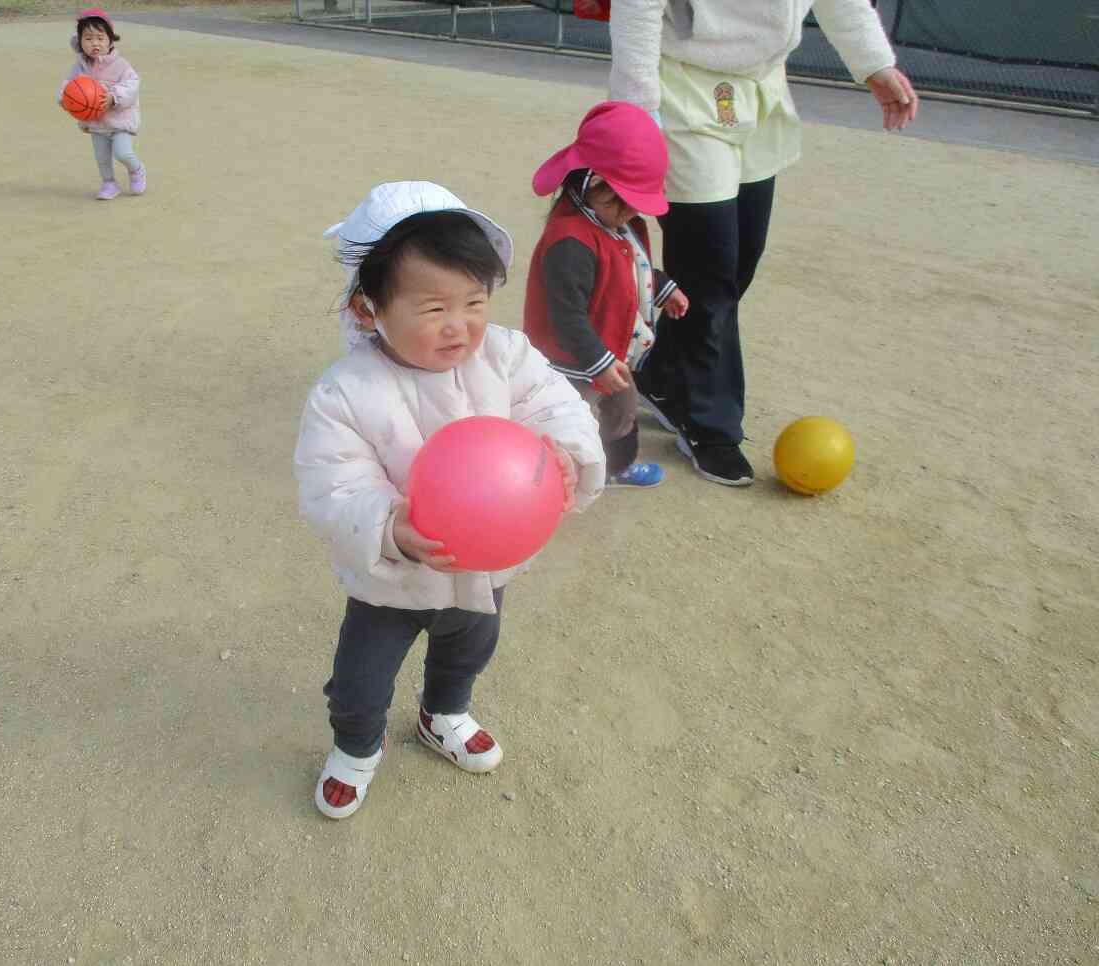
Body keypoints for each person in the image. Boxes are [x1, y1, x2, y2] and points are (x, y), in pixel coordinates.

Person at [294, 182, 605, 820]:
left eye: (475, 300)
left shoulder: (506, 354)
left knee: (469, 647)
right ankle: (356, 748)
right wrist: (388, 525)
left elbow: (553, 405)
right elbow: (333, 481)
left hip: (487, 566)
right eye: (433, 307)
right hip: (395, 579)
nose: (459, 325)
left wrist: (567, 458)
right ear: (367, 308)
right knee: (360, 679)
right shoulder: (346, 392)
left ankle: (445, 714)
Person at [608, 0, 919, 485]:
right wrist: (637, 106)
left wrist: (875, 65)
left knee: (739, 262)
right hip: (681, 88)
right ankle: (711, 427)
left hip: (758, 88)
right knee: (710, 270)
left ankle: (663, 374)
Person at [523, 101, 690, 489]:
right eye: (621, 201)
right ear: (587, 182)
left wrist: (664, 288)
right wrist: (596, 362)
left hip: (613, 350)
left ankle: (618, 466)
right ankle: (547, 481)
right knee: (564, 416)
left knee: (622, 410)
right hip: (573, 358)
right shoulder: (570, 242)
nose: (630, 213)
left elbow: (634, 268)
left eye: (637, 204)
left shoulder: (619, 221)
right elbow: (566, 316)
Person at [57, 8, 147, 201]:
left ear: (110, 40)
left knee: (123, 153)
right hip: (96, 122)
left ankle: (136, 169)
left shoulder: (121, 64)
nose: (95, 43)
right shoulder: (80, 66)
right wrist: (64, 99)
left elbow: (132, 84)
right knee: (102, 158)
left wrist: (113, 97)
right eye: (88, 38)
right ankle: (109, 183)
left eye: (100, 38)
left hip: (120, 120)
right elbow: (68, 86)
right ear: (80, 42)